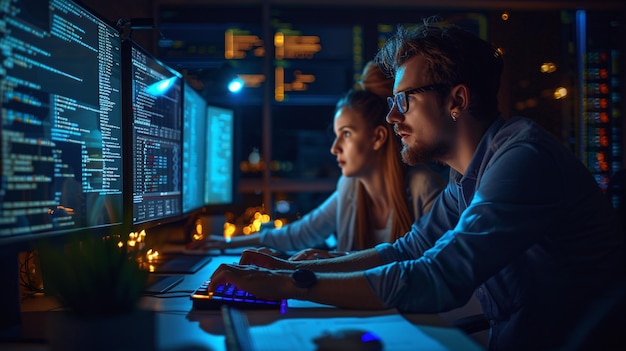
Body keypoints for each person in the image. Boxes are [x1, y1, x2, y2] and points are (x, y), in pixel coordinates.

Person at [207, 20, 625, 351]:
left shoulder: (522, 160)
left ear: (457, 101)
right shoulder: (466, 177)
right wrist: (287, 269)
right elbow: (405, 250)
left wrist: (283, 285)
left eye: (403, 100)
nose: (391, 117)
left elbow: (437, 276)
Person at [204, 62, 445, 260]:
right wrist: (225, 243)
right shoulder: (350, 188)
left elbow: (431, 270)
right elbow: (299, 234)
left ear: (378, 137)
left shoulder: (423, 187)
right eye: (337, 135)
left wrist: (326, 261)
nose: (334, 148)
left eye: (347, 134)